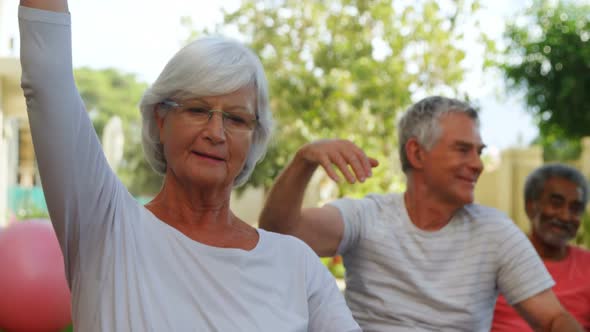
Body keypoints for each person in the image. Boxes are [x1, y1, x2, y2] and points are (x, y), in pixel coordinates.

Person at [18, 1, 360, 331]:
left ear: (255, 138)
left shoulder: (296, 264)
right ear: (161, 119)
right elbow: (47, 82)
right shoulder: (106, 227)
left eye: (236, 119)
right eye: (196, 110)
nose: (216, 133)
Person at [260, 96, 583, 331]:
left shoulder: (495, 232)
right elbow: (280, 231)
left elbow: (554, 318)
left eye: (479, 151)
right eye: (463, 149)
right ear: (416, 152)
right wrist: (304, 162)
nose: (478, 164)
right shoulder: (368, 216)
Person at [492, 164, 590, 330]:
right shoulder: (495, 259)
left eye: (575, 208)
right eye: (556, 204)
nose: (565, 216)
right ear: (531, 206)